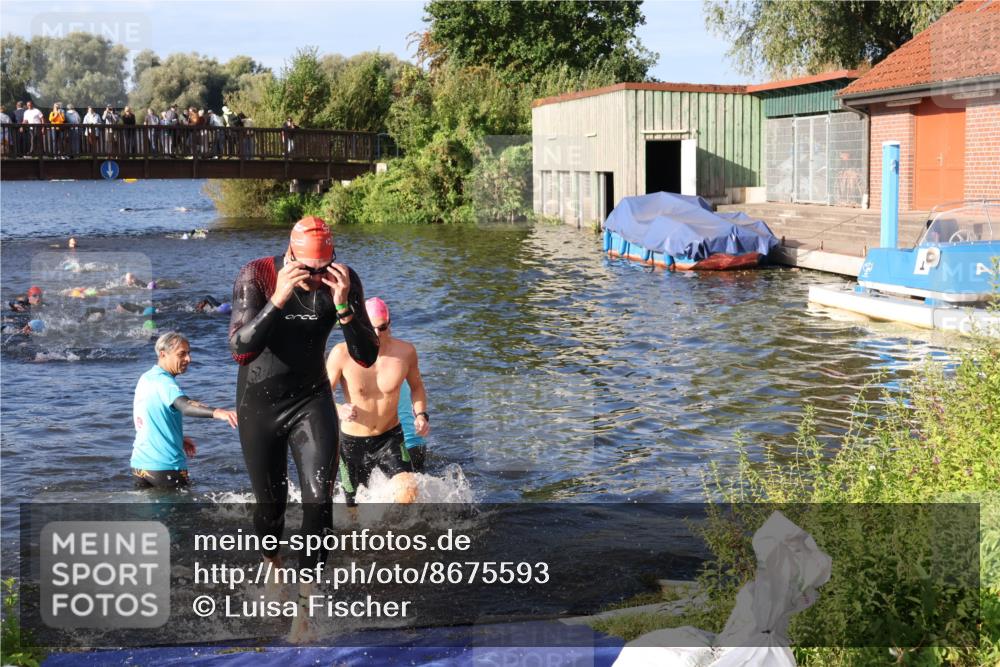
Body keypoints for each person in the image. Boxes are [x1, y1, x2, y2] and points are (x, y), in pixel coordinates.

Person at [228, 216, 378, 637]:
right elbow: (240, 349)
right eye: (306, 269)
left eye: (321, 268)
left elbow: (366, 356)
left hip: (311, 399)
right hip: (259, 403)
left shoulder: (342, 280)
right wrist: (278, 298)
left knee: (319, 504)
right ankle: (272, 563)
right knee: (270, 510)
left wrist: (345, 306)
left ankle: (304, 611)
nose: (314, 278)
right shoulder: (257, 275)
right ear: (290, 255)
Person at [327, 297, 428, 506]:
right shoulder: (341, 353)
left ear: (389, 323)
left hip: (390, 438)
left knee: (408, 494)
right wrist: (339, 408)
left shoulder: (405, 352)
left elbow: (417, 387)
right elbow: (321, 394)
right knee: (352, 511)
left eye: (382, 328)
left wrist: (421, 415)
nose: (377, 334)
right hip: (352, 443)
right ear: (361, 323)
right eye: (371, 327)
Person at [131, 331, 237, 489]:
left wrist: (177, 438)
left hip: (140, 465)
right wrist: (219, 412)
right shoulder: (165, 383)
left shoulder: (146, 377)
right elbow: (185, 406)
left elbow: (148, 417)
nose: (188, 359)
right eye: (181, 354)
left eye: (188, 353)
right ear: (163, 354)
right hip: (166, 467)